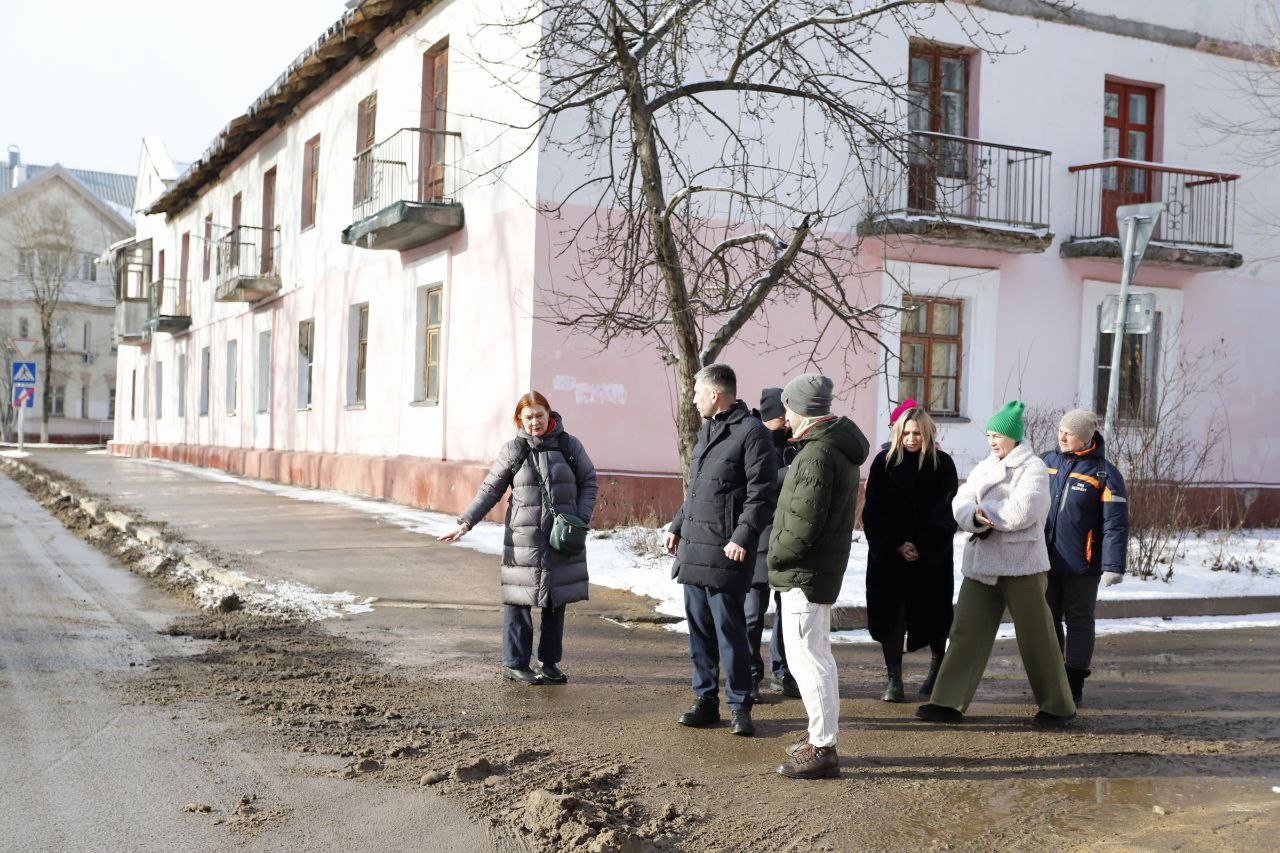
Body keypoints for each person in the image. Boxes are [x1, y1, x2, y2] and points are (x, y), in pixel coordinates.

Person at [916, 400, 1077, 728]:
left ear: (1014, 437)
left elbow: (1025, 511)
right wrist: (971, 514)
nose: (991, 441)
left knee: (1037, 638)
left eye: (997, 435)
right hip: (982, 562)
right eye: (989, 434)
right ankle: (947, 702)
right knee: (965, 633)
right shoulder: (985, 466)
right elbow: (961, 500)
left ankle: (1058, 705)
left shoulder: (1032, 468)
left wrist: (981, 509)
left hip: (1021, 564)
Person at [438, 391, 597, 685]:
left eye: (539, 415)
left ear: (549, 414)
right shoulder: (514, 450)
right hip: (524, 538)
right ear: (519, 420)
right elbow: (490, 489)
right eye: (528, 417)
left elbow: (589, 481)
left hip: (561, 537)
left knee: (555, 600)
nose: (535, 422)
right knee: (518, 600)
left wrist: (581, 516)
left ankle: (549, 663)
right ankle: (515, 663)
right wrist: (465, 522)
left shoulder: (569, 445)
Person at [665, 364, 777, 737]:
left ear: (715, 394)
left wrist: (743, 538)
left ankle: (740, 704)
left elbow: (762, 495)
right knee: (699, 631)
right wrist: (678, 525)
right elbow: (696, 489)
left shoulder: (752, 433)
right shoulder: (707, 431)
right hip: (695, 547)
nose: (693, 398)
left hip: (728, 551)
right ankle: (705, 700)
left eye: (697, 392)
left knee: (731, 632)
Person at [769, 374, 869, 779]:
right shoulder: (826, 448)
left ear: (800, 409)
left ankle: (823, 748)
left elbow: (803, 524)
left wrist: (776, 556)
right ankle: (818, 734)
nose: (784, 416)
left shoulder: (817, 455)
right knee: (814, 656)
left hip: (804, 573)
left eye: (787, 408)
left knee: (809, 661)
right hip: (813, 571)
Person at [862, 407, 958, 702]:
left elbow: (947, 509)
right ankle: (894, 679)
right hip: (890, 559)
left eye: (917, 432)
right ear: (897, 433)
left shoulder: (942, 464)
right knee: (893, 616)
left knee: (934, 615)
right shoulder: (884, 462)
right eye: (906, 432)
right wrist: (896, 544)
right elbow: (874, 511)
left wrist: (925, 545)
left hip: (931, 559)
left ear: (928, 434)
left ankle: (936, 670)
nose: (912, 438)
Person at [1041, 409, 1129, 705]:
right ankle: (1053, 678)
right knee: (1046, 620)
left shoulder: (1105, 473)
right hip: (1044, 559)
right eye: (1061, 430)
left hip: (1082, 563)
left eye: (1070, 432)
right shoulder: (1046, 462)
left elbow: (1114, 524)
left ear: (1085, 437)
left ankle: (1074, 680)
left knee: (1078, 621)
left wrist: (1113, 566)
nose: (1062, 436)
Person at [747, 387, 800, 701]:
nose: (788, 422)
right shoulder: (753, 440)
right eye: (783, 416)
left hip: (787, 539)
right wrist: (790, 473)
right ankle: (751, 674)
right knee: (752, 613)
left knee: (786, 611)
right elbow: (758, 483)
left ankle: (783, 673)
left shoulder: (794, 444)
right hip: (758, 540)